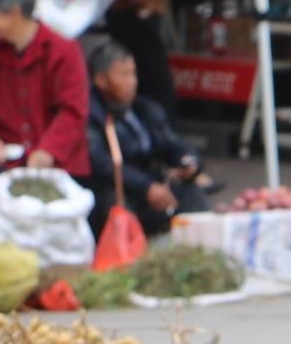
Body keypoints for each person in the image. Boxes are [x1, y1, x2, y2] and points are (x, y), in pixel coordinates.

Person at [0, 0, 91, 188]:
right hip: (7, 164)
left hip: (59, 166)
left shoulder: (64, 52)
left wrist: (48, 149)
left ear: (15, 13)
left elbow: (73, 110)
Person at [84, 38, 209, 236]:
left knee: (190, 193)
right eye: (123, 75)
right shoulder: (91, 115)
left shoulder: (144, 110)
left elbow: (170, 143)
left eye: (133, 74)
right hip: (119, 190)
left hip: (152, 186)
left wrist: (189, 161)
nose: (132, 82)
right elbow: (101, 163)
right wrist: (146, 186)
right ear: (101, 80)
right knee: (112, 201)